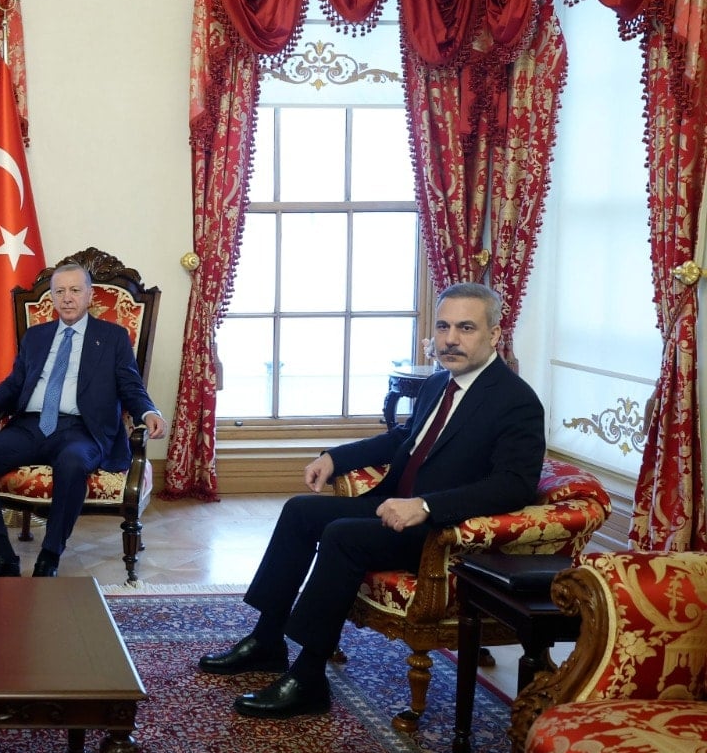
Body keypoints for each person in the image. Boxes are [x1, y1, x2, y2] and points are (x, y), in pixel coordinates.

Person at [198, 282, 546, 719]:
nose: (450, 339)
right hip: (392, 506)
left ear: (494, 334)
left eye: (465, 328)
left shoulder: (516, 401)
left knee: (343, 535)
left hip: (441, 531)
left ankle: (308, 677)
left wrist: (426, 506)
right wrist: (335, 457)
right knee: (300, 510)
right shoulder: (439, 384)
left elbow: (514, 485)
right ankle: (267, 640)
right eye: (443, 327)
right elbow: (404, 437)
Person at [0, 262, 167, 577]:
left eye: (74, 290)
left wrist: (149, 412)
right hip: (31, 426)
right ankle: (3, 556)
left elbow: (130, 386)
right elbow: (15, 384)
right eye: (59, 292)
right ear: (52, 298)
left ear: (89, 295)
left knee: (72, 463)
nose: (67, 298)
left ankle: (49, 557)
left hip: (81, 429)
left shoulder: (113, 337)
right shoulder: (36, 336)